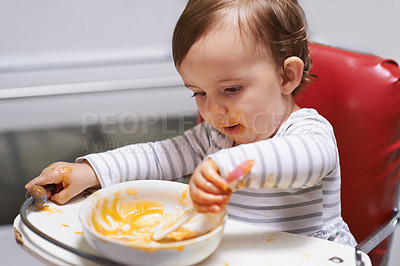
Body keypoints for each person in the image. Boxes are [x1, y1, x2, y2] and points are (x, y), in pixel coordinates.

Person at [25, 0, 356, 246]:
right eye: (198, 92)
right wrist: (90, 172)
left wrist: (227, 167)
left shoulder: (309, 132)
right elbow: (160, 156)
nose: (213, 109)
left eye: (231, 89)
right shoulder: (216, 137)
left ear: (287, 76)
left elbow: (304, 159)